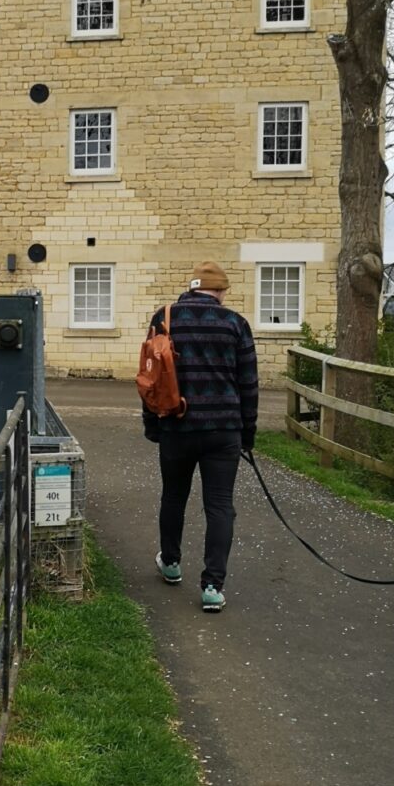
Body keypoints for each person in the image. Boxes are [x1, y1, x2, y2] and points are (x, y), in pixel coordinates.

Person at [142, 261, 258, 613]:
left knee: (174, 497)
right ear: (220, 291)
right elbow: (249, 385)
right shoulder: (236, 324)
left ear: (192, 289)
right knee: (220, 506)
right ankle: (212, 586)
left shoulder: (164, 318)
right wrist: (247, 434)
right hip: (224, 431)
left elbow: (149, 379)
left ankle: (172, 563)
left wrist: (153, 426)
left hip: (177, 425)